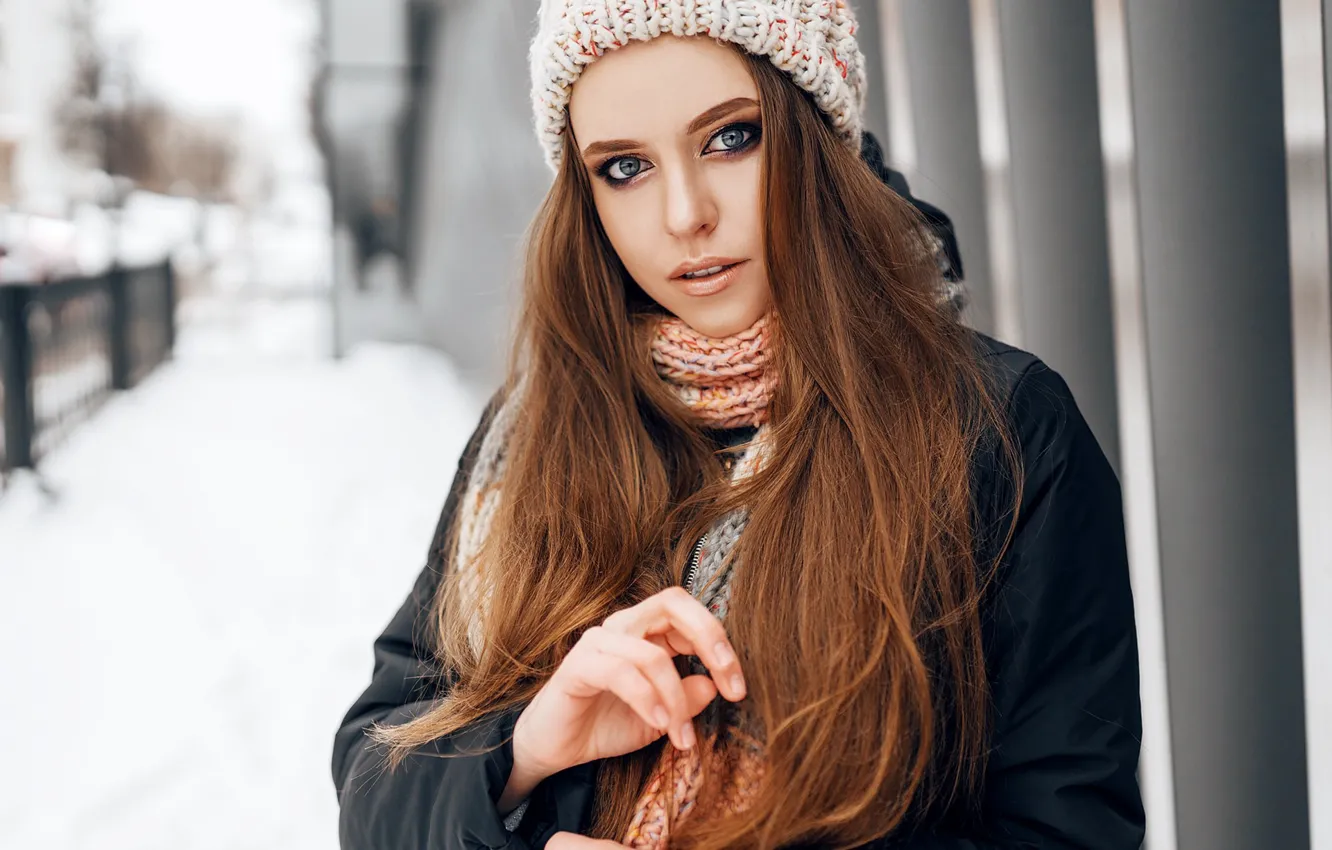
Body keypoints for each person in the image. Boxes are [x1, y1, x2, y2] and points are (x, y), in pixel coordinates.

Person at [331, 2, 1145, 848]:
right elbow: (373, 770)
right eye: (624, 168)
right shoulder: (535, 428)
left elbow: (1066, 830)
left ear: (812, 132)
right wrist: (521, 750)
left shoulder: (997, 433)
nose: (685, 215)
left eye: (729, 139)